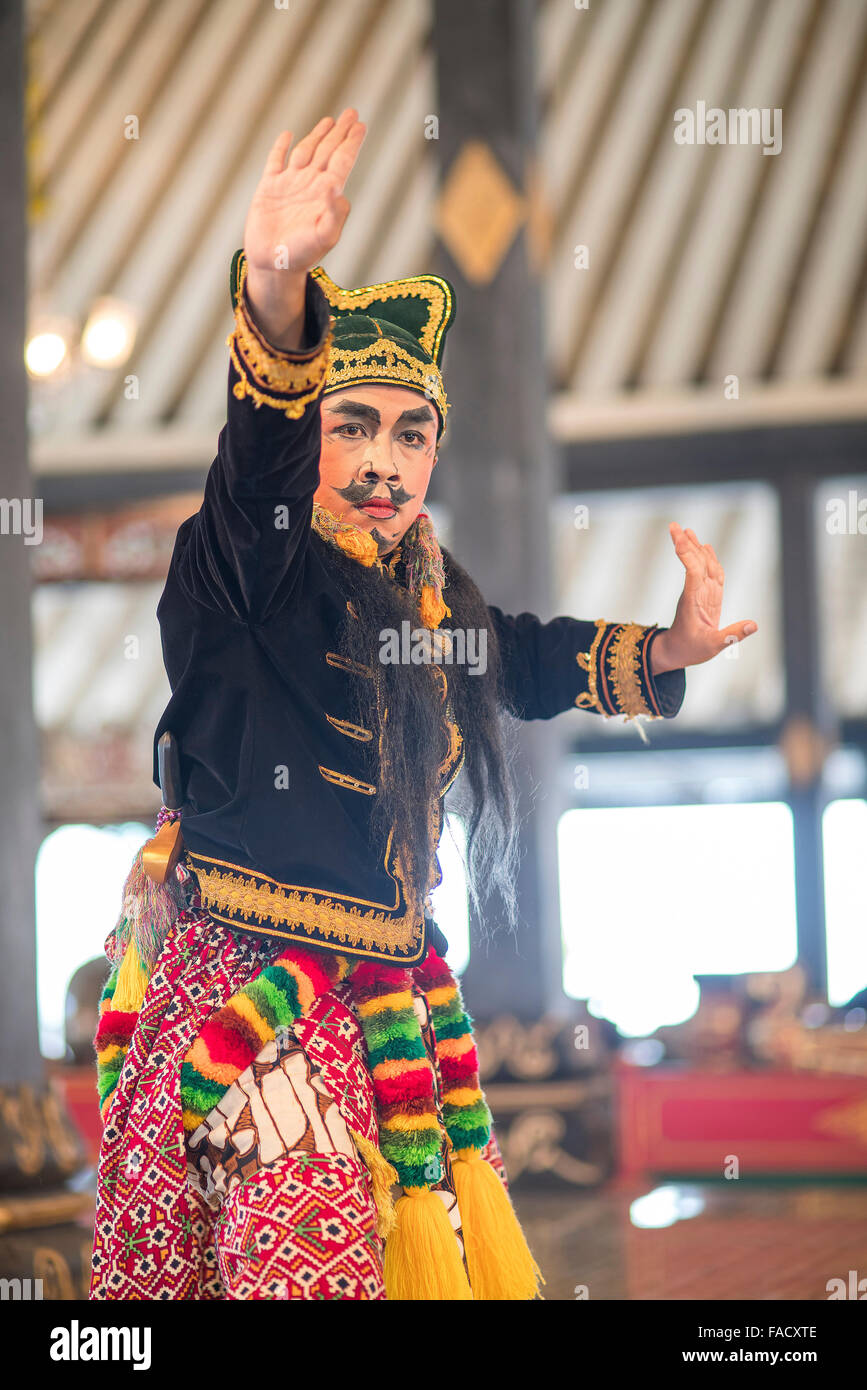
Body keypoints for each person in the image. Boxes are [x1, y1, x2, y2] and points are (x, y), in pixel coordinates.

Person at [90, 109, 758, 1301]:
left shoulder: (435, 601)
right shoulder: (246, 557)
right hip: (248, 990)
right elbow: (254, 458)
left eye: (412, 432)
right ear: (307, 440)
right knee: (307, 1258)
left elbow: (528, 659)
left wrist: (671, 647)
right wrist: (278, 284)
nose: (385, 461)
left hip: (392, 996)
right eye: (351, 426)